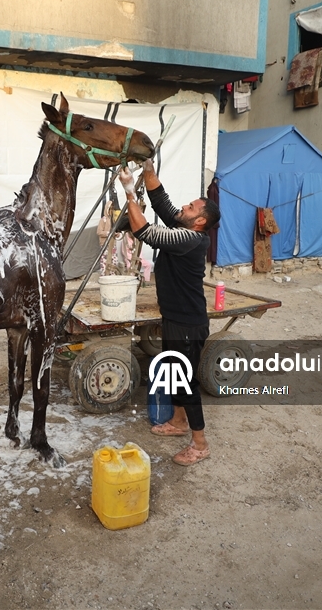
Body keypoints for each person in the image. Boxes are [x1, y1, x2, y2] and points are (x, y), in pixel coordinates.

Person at [118, 161, 220, 467]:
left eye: (190, 207)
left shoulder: (190, 239)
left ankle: (200, 444)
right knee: (175, 374)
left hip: (188, 324)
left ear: (200, 220)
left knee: (185, 384)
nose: (184, 208)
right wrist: (147, 166)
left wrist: (128, 192)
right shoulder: (185, 227)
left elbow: (145, 232)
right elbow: (163, 202)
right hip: (176, 318)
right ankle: (178, 422)